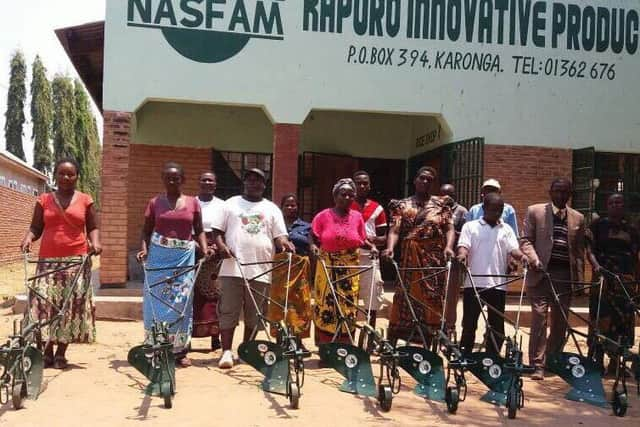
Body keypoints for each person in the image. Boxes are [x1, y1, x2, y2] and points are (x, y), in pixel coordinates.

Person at [21, 157, 101, 369]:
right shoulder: (44, 200)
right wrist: (28, 238)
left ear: (76, 177)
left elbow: (92, 227)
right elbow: (35, 228)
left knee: (68, 308)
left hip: (76, 262)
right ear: (55, 175)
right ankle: (46, 351)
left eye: (70, 174)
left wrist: (95, 243)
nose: (65, 177)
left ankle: (61, 353)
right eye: (61, 173)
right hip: (47, 262)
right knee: (42, 305)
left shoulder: (85, 200)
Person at [212, 168, 294, 369]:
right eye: (249, 179)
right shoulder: (230, 204)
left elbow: (279, 236)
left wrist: (285, 243)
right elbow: (217, 231)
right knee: (228, 310)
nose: (253, 183)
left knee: (255, 313)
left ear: (264, 185)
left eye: (258, 180)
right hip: (233, 267)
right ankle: (226, 352)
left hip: (262, 268)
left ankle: (246, 349)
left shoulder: (272, 208)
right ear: (244, 183)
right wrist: (222, 247)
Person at [137, 162, 212, 368]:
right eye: (168, 178)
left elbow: (199, 230)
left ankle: (179, 351)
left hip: (184, 258)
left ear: (183, 180)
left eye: (176, 178)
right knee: (155, 303)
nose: (172, 181)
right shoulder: (155, 203)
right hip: (158, 258)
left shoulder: (193, 203)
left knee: (181, 302)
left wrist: (204, 248)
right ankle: (155, 346)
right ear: (163, 179)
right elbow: (145, 231)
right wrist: (143, 250)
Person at [520, 178, 586, 380]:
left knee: (560, 321)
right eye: (556, 191)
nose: (560, 195)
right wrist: (534, 259)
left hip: (564, 276)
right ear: (550, 192)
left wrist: (580, 281)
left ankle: (552, 359)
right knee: (539, 317)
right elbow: (525, 240)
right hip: (540, 274)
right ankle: (537, 364)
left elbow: (579, 251)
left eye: (564, 192)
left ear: (569, 194)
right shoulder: (535, 211)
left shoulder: (578, 218)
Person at [382, 167, 456, 344]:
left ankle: (431, 335)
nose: (425, 182)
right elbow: (394, 230)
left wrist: (449, 247)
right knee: (404, 295)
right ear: (415, 180)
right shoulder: (402, 205)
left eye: (429, 180)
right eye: (422, 178)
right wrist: (390, 247)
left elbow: (449, 228)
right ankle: (397, 335)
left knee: (433, 295)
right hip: (410, 257)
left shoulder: (441, 205)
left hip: (433, 257)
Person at [457, 193, 527, 356]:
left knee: (497, 326)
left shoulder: (506, 229)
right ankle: (465, 356)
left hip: (498, 285)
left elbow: (513, 250)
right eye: (494, 209)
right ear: (484, 208)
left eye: (500, 210)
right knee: (469, 323)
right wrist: (462, 255)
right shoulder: (471, 226)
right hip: (474, 284)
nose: (497, 213)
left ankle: (492, 358)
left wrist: (523, 257)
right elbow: (463, 246)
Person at [310, 178, 378, 345]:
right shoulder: (323, 216)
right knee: (327, 305)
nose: (347, 198)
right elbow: (312, 236)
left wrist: (373, 247)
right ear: (335, 196)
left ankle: (346, 345)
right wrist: (313, 247)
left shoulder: (357, 217)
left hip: (349, 268)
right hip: (327, 266)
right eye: (343, 194)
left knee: (348, 305)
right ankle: (326, 346)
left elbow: (362, 239)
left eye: (350, 195)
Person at [586, 193, 639, 371]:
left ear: (624, 205)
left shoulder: (632, 228)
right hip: (602, 279)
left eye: (619, 202)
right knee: (600, 318)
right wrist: (596, 267)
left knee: (622, 320)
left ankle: (616, 361)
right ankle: (597, 359)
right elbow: (590, 250)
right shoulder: (597, 225)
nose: (616, 205)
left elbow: (636, 255)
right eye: (612, 202)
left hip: (625, 281)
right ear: (607, 205)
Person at [192, 172, 225, 351]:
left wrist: (216, 248)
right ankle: (187, 337)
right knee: (193, 295)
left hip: (217, 252)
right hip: (194, 250)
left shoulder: (222, 205)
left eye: (210, 180)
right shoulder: (191, 203)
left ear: (215, 184)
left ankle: (215, 336)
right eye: (203, 179)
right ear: (199, 182)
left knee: (215, 293)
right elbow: (190, 228)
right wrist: (200, 246)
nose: (207, 182)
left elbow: (224, 229)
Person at [351, 170, 387, 335]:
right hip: (349, 258)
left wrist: (369, 240)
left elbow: (384, 237)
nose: (362, 186)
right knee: (348, 297)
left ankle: (370, 334)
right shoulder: (345, 204)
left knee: (372, 299)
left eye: (365, 183)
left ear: (370, 186)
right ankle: (348, 333)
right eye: (358, 183)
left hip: (369, 258)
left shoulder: (377, 208)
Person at [440, 183, 468, 335]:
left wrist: (449, 233)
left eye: (449, 194)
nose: (446, 198)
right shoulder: (436, 208)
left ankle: (449, 328)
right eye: (443, 194)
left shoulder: (462, 211)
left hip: (454, 260)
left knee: (451, 297)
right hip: (436, 259)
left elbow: (466, 234)